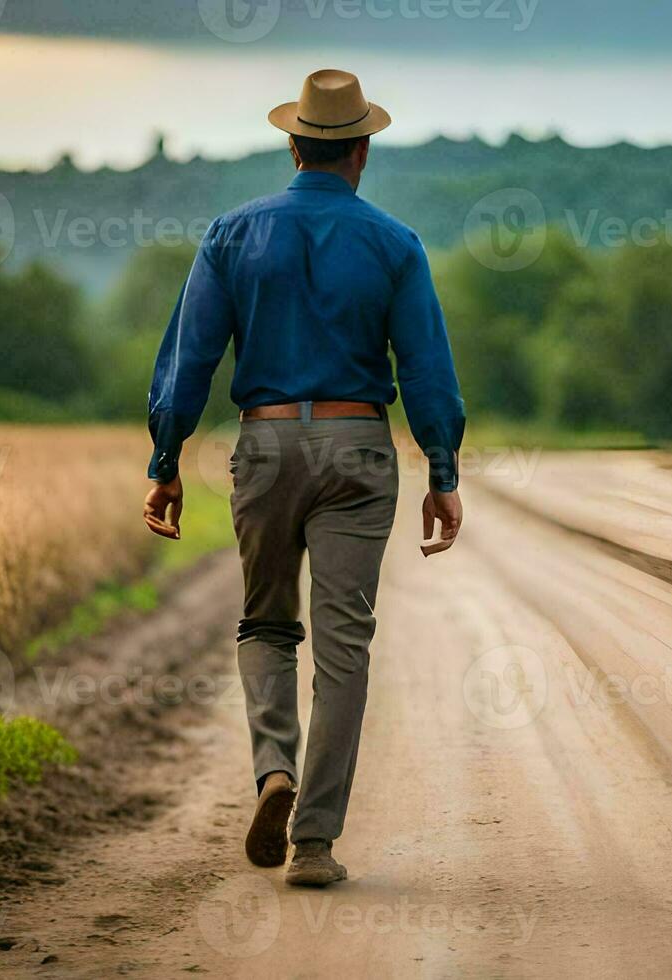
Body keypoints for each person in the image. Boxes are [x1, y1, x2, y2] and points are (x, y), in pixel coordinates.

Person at [141, 69, 465, 887]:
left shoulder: (231, 234)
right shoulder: (396, 243)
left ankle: (272, 769)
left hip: (268, 445)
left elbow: (191, 359)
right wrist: (444, 469)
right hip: (359, 449)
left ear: (292, 146)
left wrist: (166, 459)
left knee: (266, 623)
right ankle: (315, 845)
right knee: (346, 648)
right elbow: (426, 370)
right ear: (362, 150)